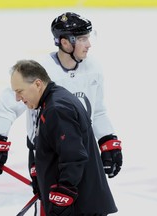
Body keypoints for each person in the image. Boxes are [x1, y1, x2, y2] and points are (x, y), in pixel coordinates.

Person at [0, 12, 122, 215]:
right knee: (52, 209)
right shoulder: (40, 70)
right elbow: (9, 103)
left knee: (88, 207)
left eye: (88, 37)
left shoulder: (94, 68)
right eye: (82, 39)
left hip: (80, 153)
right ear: (65, 43)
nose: (88, 44)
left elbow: (98, 110)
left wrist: (108, 141)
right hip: (46, 155)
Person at [11, 59, 118, 215]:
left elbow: (74, 156)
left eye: (20, 91)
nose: (17, 98)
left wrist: (63, 195)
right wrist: (39, 173)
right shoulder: (52, 100)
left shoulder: (57, 109)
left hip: (79, 209)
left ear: (38, 84)